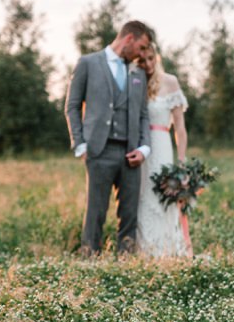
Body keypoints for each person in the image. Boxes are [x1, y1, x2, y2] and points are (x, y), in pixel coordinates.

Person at [66, 21, 154, 255]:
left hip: (130, 152)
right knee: (95, 211)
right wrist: (80, 144)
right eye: (142, 47)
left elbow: (144, 115)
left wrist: (144, 148)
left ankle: (125, 265)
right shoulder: (88, 63)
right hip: (98, 151)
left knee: (129, 214)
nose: (142, 54)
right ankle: (89, 262)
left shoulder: (138, 73)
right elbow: (72, 106)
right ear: (129, 39)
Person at [136, 46, 193, 257]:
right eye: (142, 61)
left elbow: (179, 127)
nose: (148, 64)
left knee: (162, 195)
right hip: (140, 148)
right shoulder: (135, 82)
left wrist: (181, 162)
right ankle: (145, 251)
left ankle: (166, 251)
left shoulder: (170, 82)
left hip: (161, 145)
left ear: (157, 57)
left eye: (151, 59)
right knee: (143, 198)